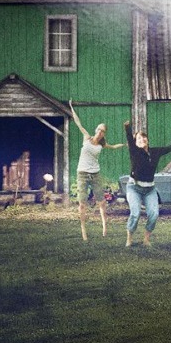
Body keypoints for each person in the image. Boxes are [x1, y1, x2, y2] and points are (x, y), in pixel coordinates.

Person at [67, 101, 123, 241]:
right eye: (99, 129)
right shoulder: (86, 138)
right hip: (82, 174)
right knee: (82, 203)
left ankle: (104, 228)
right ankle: (83, 231)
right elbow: (78, 123)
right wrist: (71, 107)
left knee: (102, 202)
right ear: (96, 130)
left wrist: (125, 144)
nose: (100, 132)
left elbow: (113, 147)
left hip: (95, 174)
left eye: (103, 131)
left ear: (104, 134)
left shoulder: (102, 145)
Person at [122, 120, 171, 247]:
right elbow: (130, 140)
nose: (142, 139)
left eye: (144, 137)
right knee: (135, 213)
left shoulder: (155, 152)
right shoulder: (134, 151)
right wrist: (127, 128)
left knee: (154, 214)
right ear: (135, 142)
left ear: (147, 140)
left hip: (150, 189)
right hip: (134, 188)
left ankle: (146, 240)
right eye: (138, 138)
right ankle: (129, 239)